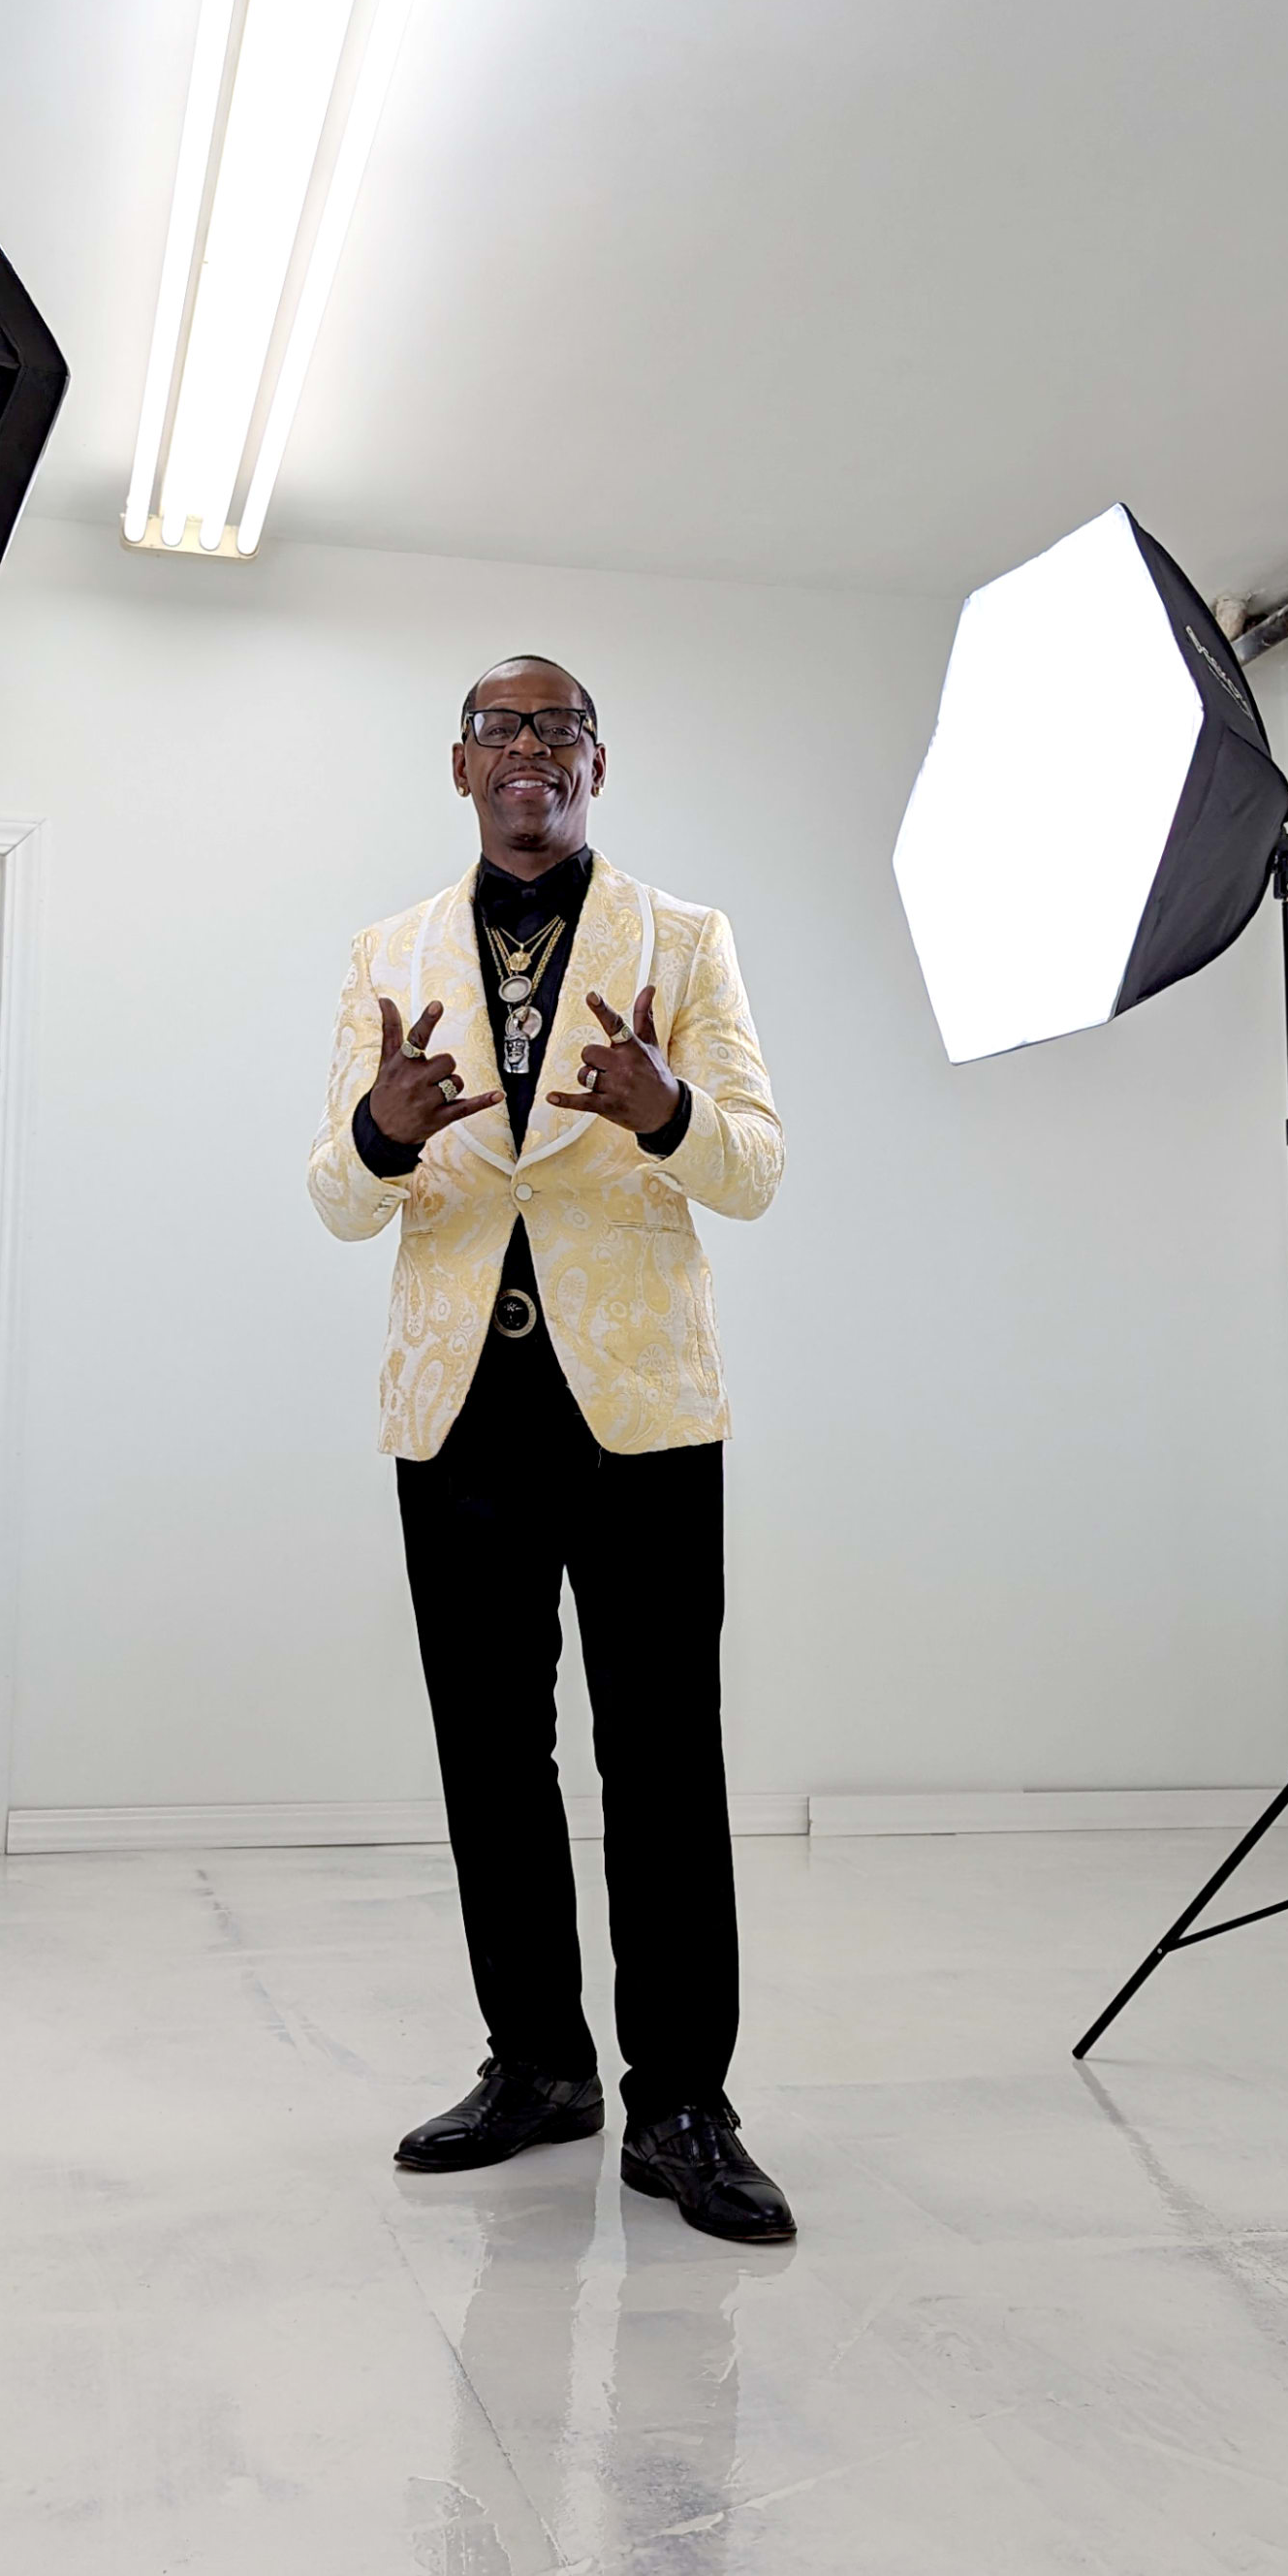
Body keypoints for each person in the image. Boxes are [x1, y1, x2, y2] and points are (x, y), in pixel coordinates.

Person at [305, 655, 793, 2242]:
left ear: (598, 761)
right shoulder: (388, 954)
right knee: (491, 1754)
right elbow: (337, 1196)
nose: (532, 750)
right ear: (461, 768)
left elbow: (756, 1169)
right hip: (458, 1411)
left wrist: (668, 1114)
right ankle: (537, 2066)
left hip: (639, 1406)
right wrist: (382, 1132)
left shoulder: (685, 941)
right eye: (501, 730)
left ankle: (685, 2102)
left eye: (560, 727)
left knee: (663, 1757)